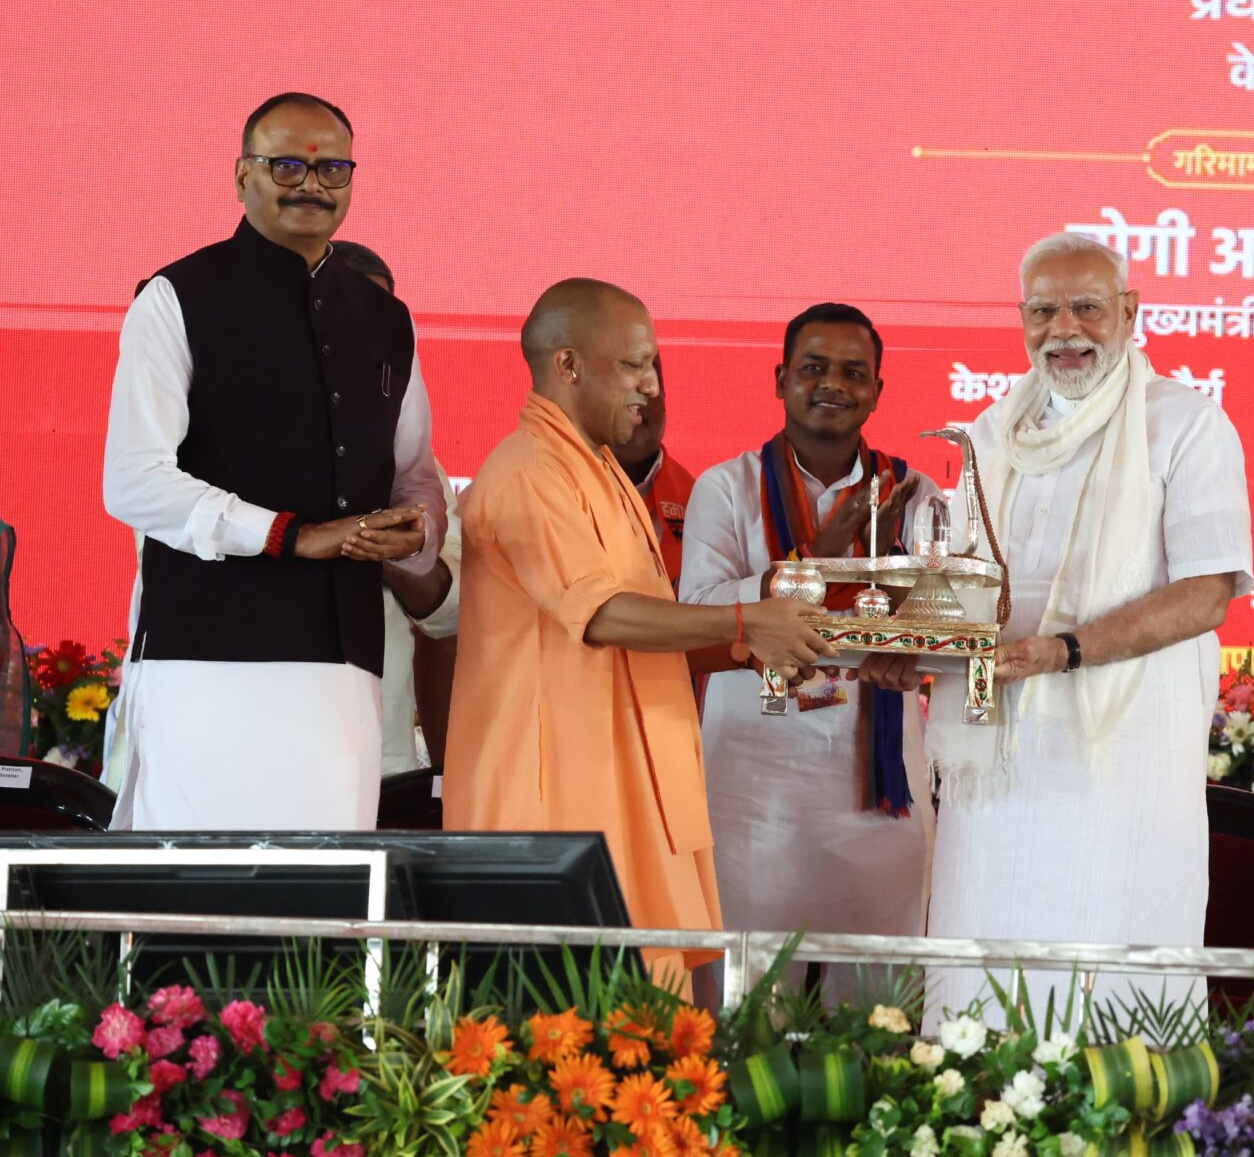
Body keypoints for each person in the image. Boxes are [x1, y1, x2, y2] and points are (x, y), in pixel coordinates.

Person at [447, 279, 837, 978]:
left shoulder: (598, 469)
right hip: (557, 803)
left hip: (619, 787)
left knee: (646, 1025)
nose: (651, 385)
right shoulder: (531, 471)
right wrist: (747, 619)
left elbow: (647, 638)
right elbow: (601, 614)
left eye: (652, 365)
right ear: (568, 365)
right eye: (633, 364)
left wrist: (747, 648)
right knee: (569, 1028)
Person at [924, 234, 1252, 1014]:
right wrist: (918, 646)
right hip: (995, 774)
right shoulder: (990, 432)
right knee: (979, 983)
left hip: (1121, 772)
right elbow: (958, 585)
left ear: (1129, 312)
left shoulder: (1185, 424)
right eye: (1044, 311)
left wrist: (1066, 651)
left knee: (1109, 985)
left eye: (1086, 308)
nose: (1063, 330)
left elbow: (1207, 593)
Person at [102, 93, 445, 829]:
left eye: (332, 169)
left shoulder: (386, 318)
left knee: (325, 889)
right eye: (286, 165)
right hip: (206, 657)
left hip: (344, 665)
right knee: (200, 882)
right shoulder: (177, 296)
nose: (311, 185)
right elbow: (133, 480)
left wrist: (417, 530)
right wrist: (290, 534)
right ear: (242, 176)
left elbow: (415, 472)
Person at [679, 304, 938, 972]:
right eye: (814, 367)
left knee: (880, 1002)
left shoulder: (915, 494)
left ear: (877, 390)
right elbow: (697, 616)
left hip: (878, 786)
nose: (833, 385)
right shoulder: (725, 488)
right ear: (781, 379)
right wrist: (817, 556)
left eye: (854, 372)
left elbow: (945, 620)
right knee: (748, 993)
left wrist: (910, 648)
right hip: (753, 784)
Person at [330, 240, 462, 779]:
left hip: (375, 760)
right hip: (231, 744)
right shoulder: (216, 435)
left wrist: (397, 552)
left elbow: (452, 612)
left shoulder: (413, 468)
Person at [617, 373, 692, 585]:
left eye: (651, 370)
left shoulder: (702, 501)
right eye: (624, 371)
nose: (643, 389)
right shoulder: (549, 490)